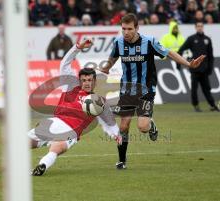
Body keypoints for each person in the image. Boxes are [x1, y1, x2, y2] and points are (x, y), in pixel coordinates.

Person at [100, 13, 205, 169]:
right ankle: (122, 161)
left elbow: (169, 53)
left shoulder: (149, 42)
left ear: (137, 28)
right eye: (123, 29)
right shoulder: (119, 42)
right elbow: (113, 58)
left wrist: (188, 64)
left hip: (146, 88)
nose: (126, 32)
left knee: (142, 127)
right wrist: (106, 69)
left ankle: (151, 125)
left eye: (129, 29)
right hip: (127, 89)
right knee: (123, 126)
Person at [30, 39, 122, 176]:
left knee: (57, 148)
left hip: (71, 131)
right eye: (84, 80)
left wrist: (116, 134)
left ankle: (42, 165)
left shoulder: (99, 102)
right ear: (79, 80)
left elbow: (109, 121)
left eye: (90, 80)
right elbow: (64, 64)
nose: (86, 83)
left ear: (95, 82)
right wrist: (77, 47)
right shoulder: (71, 86)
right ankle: (24, 165)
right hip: (55, 123)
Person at [178, 21, 219, 112]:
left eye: (201, 26)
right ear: (195, 27)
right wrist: (185, 61)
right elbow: (181, 50)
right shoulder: (191, 39)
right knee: (194, 89)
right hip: (194, 69)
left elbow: (210, 56)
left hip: (204, 69)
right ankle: (196, 105)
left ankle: (212, 105)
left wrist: (210, 68)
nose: (200, 28)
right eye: (198, 26)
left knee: (207, 89)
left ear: (203, 27)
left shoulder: (207, 39)